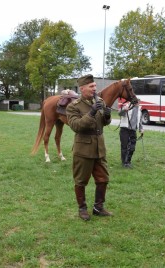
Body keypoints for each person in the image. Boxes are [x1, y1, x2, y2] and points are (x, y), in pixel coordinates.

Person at [66, 74, 113, 221]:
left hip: (99, 148)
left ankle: (98, 208)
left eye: (95, 86)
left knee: (103, 179)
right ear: (82, 88)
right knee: (81, 181)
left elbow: (104, 123)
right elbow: (76, 126)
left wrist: (107, 115)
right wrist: (91, 112)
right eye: (91, 86)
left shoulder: (99, 101)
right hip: (83, 150)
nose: (95, 88)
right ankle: (82, 209)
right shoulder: (73, 106)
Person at [118, 99, 144, 168]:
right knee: (124, 147)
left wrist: (141, 129)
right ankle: (124, 163)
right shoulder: (127, 106)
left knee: (132, 148)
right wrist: (124, 110)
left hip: (133, 130)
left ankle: (128, 161)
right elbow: (119, 114)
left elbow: (140, 121)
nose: (137, 103)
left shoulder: (139, 110)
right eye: (136, 101)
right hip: (124, 130)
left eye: (138, 102)